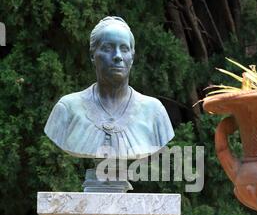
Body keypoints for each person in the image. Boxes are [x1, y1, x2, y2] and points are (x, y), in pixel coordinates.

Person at [44, 16, 174, 160]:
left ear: (132, 57)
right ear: (93, 56)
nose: (117, 56)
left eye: (124, 49)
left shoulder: (154, 112)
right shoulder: (67, 109)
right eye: (108, 48)